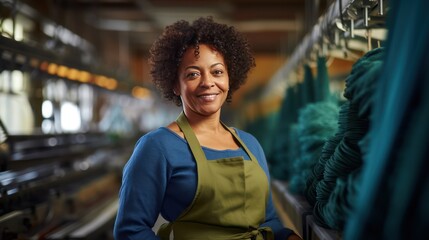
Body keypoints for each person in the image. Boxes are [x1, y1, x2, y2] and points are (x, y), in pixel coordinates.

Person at [113, 16, 302, 240]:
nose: (207, 82)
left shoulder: (250, 144)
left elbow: (269, 221)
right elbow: (131, 231)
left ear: (230, 78)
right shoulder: (157, 147)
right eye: (193, 74)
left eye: (217, 71)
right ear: (175, 84)